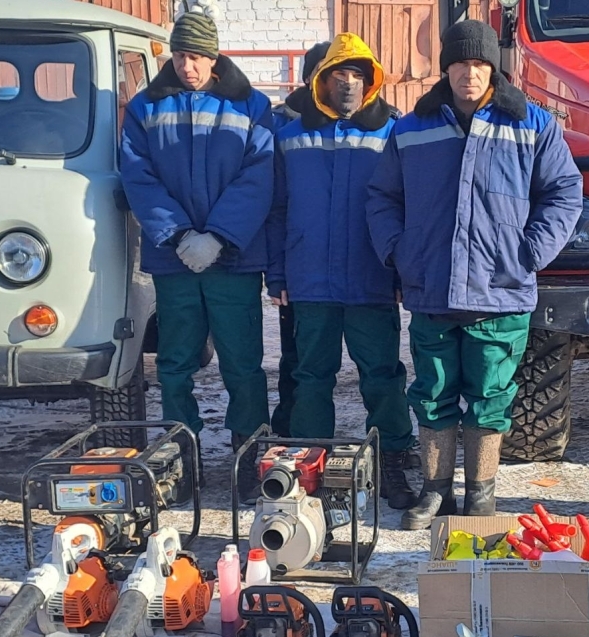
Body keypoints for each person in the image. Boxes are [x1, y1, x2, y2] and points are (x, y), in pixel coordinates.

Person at [367, 20, 583, 528]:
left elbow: (564, 192)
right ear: (446, 68)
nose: (470, 73)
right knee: (433, 392)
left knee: (491, 398)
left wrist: (530, 252)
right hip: (432, 289)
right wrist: (400, 252)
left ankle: (481, 493)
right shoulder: (412, 127)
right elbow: (382, 197)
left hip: (501, 290)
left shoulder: (532, 123)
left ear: (494, 68)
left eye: (480, 64)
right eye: (461, 63)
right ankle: (435, 490)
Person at [120, 9, 274, 496]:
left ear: (214, 57)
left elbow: (259, 173)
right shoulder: (144, 107)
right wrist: (181, 235)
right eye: (182, 55)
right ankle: (179, 457)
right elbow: (137, 175)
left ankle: (249, 457)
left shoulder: (251, 105)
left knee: (243, 363)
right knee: (175, 364)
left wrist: (221, 236)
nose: (189, 66)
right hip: (175, 260)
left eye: (199, 56)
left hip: (233, 259)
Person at [266, 32, 417, 510]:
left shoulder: (392, 133)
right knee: (311, 376)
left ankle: (394, 458)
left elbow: (406, 207)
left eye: (358, 74)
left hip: (372, 279)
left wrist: (399, 271)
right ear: (320, 80)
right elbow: (276, 209)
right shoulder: (289, 137)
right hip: (310, 281)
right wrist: (278, 275)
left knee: (384, 376)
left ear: (371, 81)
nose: (348, 83)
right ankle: (313, 467)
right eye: (339, 74)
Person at [267, 41, 331, 438]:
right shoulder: (281, 127)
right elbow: (274, 208)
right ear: (309, 77)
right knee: (296, 359)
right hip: (301, 267)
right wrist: (278, 272)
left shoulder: (377, 122)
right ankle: (290, 434)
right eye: (323, 71)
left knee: (378, 368)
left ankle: (393, 449)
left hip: (358, 272)